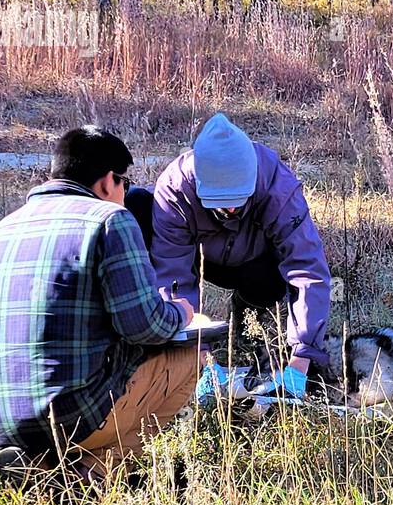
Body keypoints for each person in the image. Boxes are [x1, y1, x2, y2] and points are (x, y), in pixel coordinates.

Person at [0, 126, 196, 486]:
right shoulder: (111, 220)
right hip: (73, 416)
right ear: (108, 182)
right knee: (193, 355)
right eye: (125, 184)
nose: (125, 194)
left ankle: (38, 468)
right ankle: (95, 474)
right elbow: (145, 327)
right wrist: (183, 312)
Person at [128, 113, 331, 397]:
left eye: (238, 202)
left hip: (256, 264)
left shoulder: (277, 185)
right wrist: (200, 357)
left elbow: (308, 269)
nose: (231, 211)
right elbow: (173, 275)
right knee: (137, 206)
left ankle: (248, 307)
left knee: (269, 282)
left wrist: (300, 360)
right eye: (220, 204)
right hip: (201, 259)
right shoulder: (175, 189)